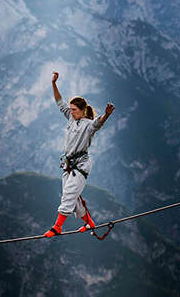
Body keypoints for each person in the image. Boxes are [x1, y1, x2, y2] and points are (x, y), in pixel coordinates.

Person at [44, 71, 115, 238]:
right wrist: (54, 83)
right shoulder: (70, 118)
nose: (72, 111)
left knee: (68, 194)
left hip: (81, 165)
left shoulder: (88, 125)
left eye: (75, 110)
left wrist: (106, 115)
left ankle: (57, 227)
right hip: (69, 165)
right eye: (71, 109)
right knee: (74, 200)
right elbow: (59, 102)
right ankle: (89, 223)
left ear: (83, 111)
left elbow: (98, 123)